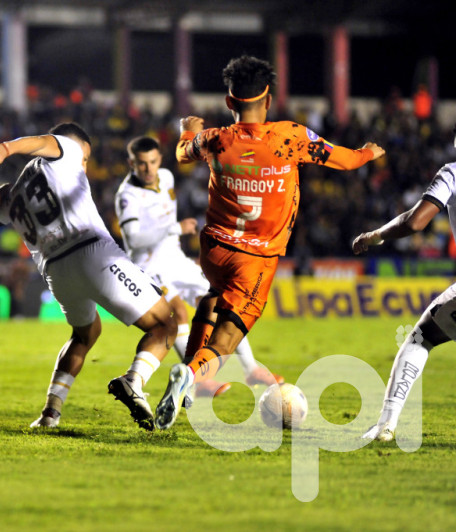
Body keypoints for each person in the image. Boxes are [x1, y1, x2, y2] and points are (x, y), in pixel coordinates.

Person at [153, 55, 385, 430]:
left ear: (230, 103)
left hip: (214, 249)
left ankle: (192, 384)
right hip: (255, 259)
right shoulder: (290, 137)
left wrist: (186, 129)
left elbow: (181, 154)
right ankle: (190, 376)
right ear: (269, 99)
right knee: (226, 341)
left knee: (212, 299)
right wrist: (368, 153)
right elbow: (345, 161)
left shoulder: (214, 140)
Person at [0, 122, 177, 431]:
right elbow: (45, 141)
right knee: (164, 324)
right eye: (86, 158)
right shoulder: (69, 149)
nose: (85, 165)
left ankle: (50, 413)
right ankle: (134, 380)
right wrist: (7, 147)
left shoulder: (11, 195)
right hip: (92, 252)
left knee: (84, 334)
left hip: (57, 273)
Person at [115, 136, 282, 400]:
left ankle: (251, 369)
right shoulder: (127, 195)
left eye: (153, 162)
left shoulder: (167, 177)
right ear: (131, 163)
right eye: (141, 164)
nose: (148, 169)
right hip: (149, 267)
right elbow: (134, 239)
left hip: (176, 259)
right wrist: (175, 228)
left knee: (223, 301)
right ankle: (199, 381)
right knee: (179, 313)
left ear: (159, 160)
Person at [352, 124, 456, 442]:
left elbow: (415, 221)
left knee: (420, 339)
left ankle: (386, 425)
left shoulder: (452, 172)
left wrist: (376, 235)